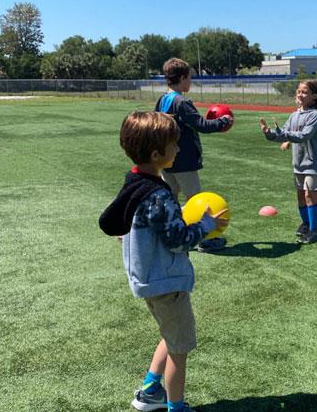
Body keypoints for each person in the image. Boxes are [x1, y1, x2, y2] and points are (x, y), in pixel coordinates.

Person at [99, 112, 228, 412]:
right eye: (174, 145)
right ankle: (175, 406)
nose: (179, 150)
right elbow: (179, 240)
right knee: (179, 349)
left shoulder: (136, 180)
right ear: (157, 154)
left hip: (147, 279)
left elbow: (130, 219)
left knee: (169, 335)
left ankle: (150, 389)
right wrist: (205, 226)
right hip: (165, 281)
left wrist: (173, 214)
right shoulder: (159, 193)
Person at [155, 57, 234, 253]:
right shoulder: (182, 102)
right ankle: (202, 240)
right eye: (190, 77)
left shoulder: (162, 99)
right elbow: (202, 125)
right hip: (183, 160)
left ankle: (167, 234)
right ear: (182, 78)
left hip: (167, 159)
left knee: (170, 199)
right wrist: (223, 121)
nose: (191, 82)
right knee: (196, 201)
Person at [260, 80, 317, 244]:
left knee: (310, 194)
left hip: (313, 163)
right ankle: (305, 224)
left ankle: (313, 229)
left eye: (304, 92)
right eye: (299, 91)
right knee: (300, 196)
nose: (300, 94)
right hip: (298, 163)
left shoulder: (315, 115)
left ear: (314, 96)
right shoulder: (293, 115)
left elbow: (304, 135)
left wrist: (284, 134)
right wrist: (269, 134)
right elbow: (283, 135)